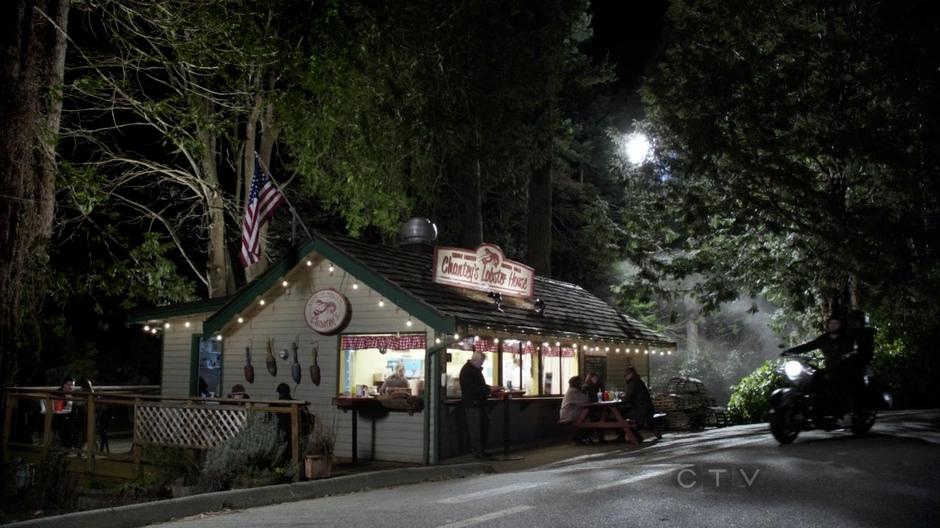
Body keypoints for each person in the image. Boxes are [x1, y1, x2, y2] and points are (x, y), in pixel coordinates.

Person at [459, 350, 492, 459]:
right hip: (473, 404)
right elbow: (474, 388)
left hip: (477, 404)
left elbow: (476, 386)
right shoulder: (469, 371)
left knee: (481, 427)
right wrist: (489, 389)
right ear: (476, 360)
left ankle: (480, 450)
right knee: (476, 429)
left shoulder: (472, 370)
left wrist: (487, 388)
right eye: (481, 362)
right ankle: (478, 452)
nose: (482, 364)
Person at [617, 367, 654, 440]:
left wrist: (621, 398)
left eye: (626, 375)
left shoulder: (633, 383)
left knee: (619, 414)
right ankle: (629, 434)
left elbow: (627, 398)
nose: (625, 377)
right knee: (621, 413)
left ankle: (629, 435)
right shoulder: (639, 381)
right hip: (648, 409)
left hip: (641, 411)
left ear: (630, 374)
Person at [559, 375, 591, 445]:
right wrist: (586, 391)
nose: (582, 384)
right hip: (569, 415)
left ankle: (580, 438)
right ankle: (580, 438)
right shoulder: (574, 391)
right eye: (581, 383)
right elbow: (585, 401)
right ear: (577, 383)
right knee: (589, 418)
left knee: (587, 417)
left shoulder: (572, 390)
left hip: (570, 413)